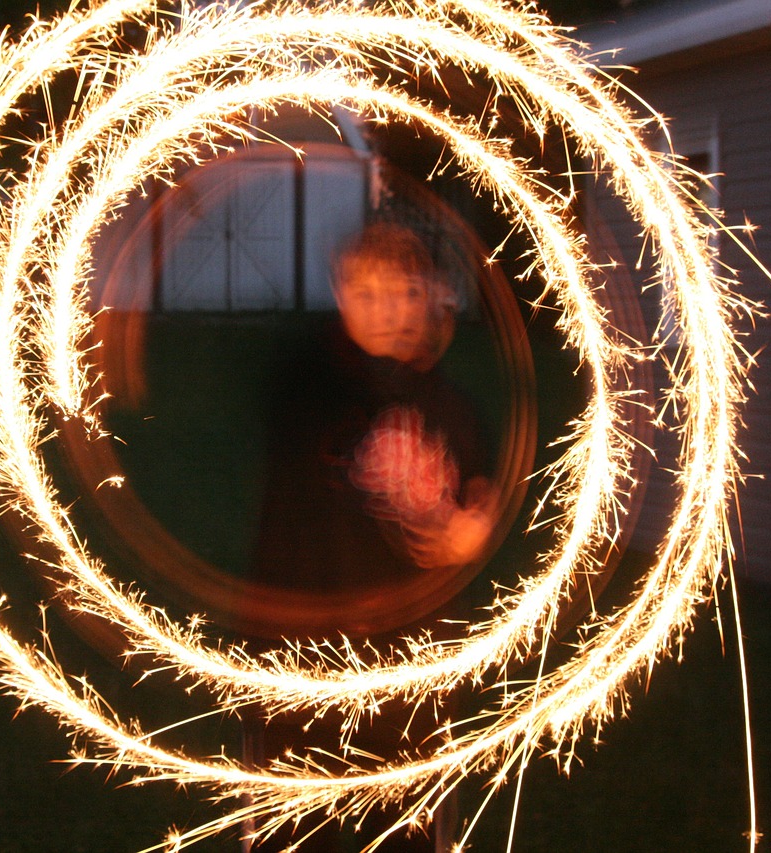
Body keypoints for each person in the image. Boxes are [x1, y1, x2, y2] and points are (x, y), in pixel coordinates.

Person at [243, 223, 500, 852]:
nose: (387, 310)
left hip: (412, 665)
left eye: (403, 293)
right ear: (340, 293)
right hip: (302, 659)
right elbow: (318, 397)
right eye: (368, 292)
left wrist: (475, 528)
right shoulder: (309, 385)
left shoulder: (455, 408)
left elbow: (480, 491)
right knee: (301, 829)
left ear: (428, 298)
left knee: (406, 829)